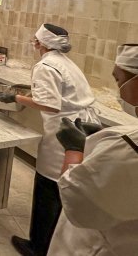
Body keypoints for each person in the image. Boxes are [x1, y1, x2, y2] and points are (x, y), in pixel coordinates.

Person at [0, 23, 100, 256]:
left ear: (41, 43)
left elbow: (50, 104)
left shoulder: (45, 66)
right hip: (82, 126)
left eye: (35, 39)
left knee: (49, 186)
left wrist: (17, 97)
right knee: (65, 185)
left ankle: (38, 246)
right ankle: (56, 243)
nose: (33, 42)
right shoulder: (66, 63)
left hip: (65, 131)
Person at [47, 44, 138, 255]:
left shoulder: (129, 148)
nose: (119, 90)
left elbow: (75, 199)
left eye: (119, 80)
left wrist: (75, 149)